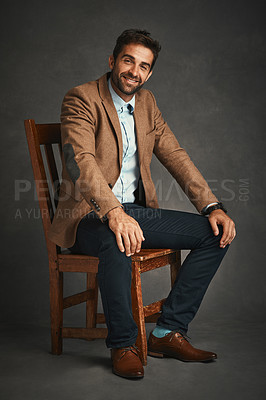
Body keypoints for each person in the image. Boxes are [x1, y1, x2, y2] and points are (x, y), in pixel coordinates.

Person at [48, 29, 236, 379]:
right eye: (128, 60)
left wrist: (212, 206)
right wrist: (113, 212)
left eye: (144, 66)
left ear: (149, 73)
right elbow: (81, 160)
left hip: (135, 213)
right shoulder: (82, 98)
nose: (134, 71)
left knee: (215, 233)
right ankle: (123, 344)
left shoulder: (147, 103)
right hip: (88, 217)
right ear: (112, 61)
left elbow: (176, 156)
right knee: (114, 240)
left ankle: (167, 332)